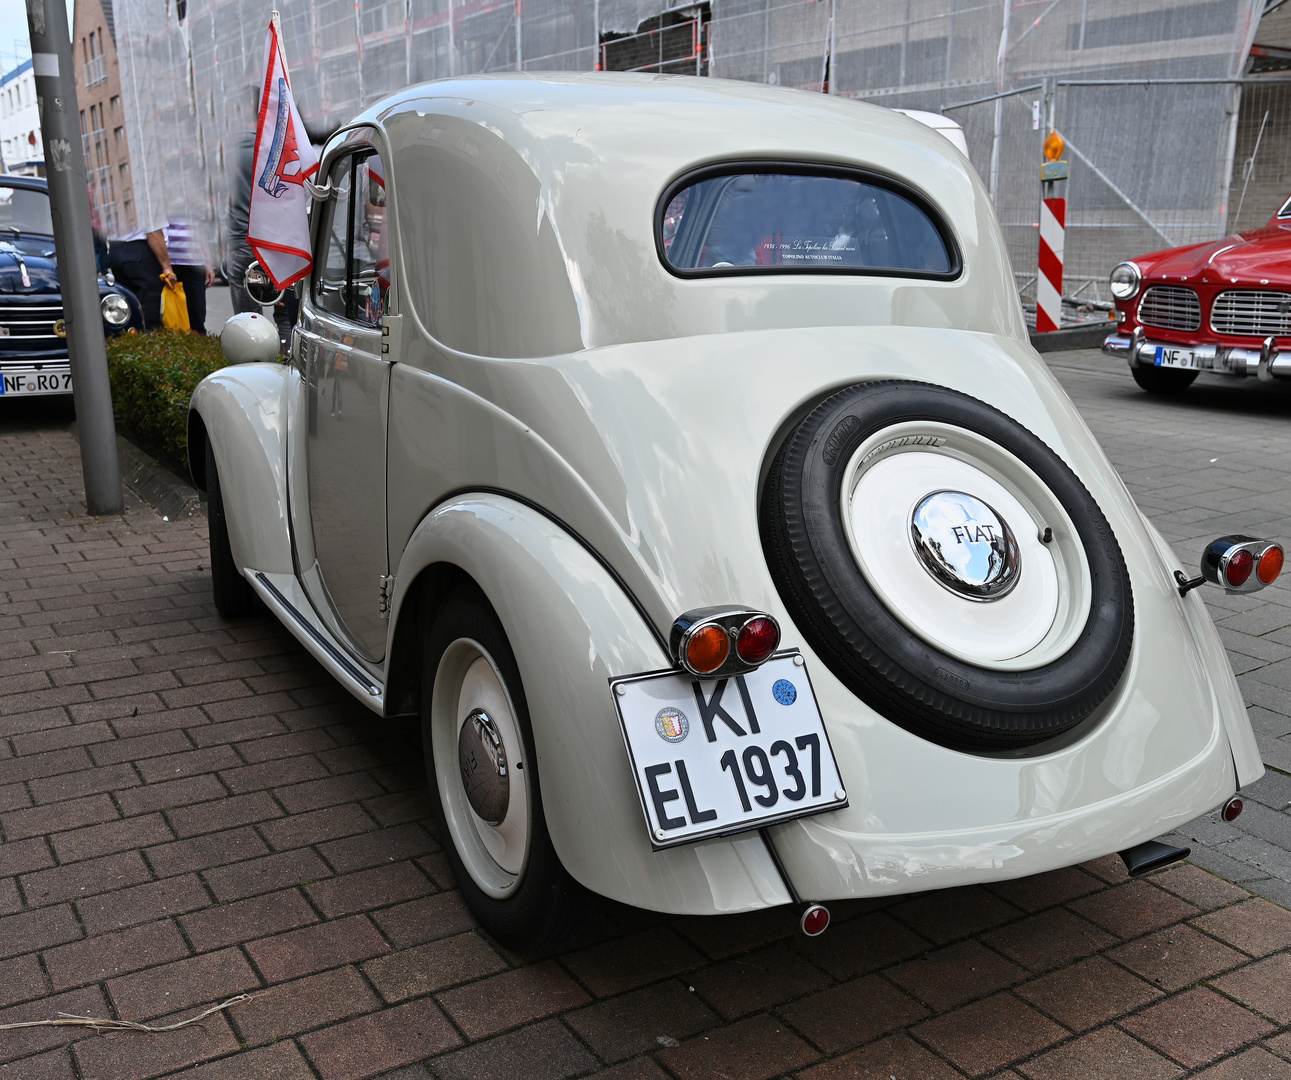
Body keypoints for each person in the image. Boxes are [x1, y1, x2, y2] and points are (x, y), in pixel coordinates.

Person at [108, 217, 174, 331]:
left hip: (116, 249)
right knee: (150, 304)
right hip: (140, 251)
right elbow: (153, 230)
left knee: (128, 303)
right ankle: (151, 340)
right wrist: (167, 267)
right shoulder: (146, 199)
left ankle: (132, 339)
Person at [165, 220, 215, 334]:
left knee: (197, 316)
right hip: (168, 263)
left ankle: (199, 348)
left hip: (195, 263)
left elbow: (201, 231)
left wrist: (208, 263)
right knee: (167, 315)